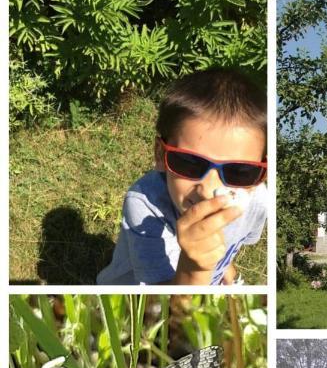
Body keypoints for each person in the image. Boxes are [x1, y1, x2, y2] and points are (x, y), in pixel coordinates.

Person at [97, 69, 268, 285]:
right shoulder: (144, 205)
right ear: (160, 154)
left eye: (240, 172)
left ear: (261, 175)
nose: (208, 191)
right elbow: (168, 308)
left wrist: (225, 268)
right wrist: (195, 268)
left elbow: (234, 244)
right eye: (189, 163)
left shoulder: (258, 201)